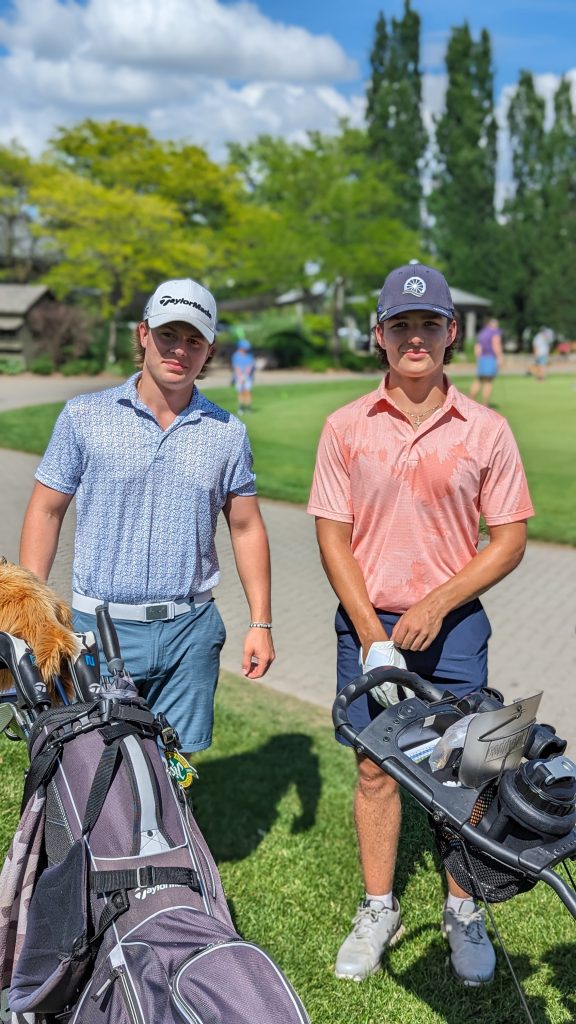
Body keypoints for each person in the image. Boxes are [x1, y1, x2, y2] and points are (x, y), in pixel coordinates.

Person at [307, 262, 534, 986]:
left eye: (428, 324)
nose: (415, 337)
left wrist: (436, 603)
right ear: (379, 334)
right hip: (367, 621)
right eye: (400, 324)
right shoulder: (345, 426)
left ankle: (462, 910)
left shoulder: (486, 430)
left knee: (466, 771)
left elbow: (509, 538)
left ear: (450, 332)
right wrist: (371, 632)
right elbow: (333, 535)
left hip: (454, 623)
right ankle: (380, 908)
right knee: (375, 769)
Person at [19, 277, 275, 757]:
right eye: (168, 335)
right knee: (96, 766)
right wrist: (33, 613)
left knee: (176, 767)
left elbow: (246, 527)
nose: (179, 350)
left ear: (210, 349)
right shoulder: (84, 416)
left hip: (190, 632)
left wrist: (260, 623)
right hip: (99, 630)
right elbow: (46, 510)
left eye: (194, 340)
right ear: (143, 334)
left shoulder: (228, 433)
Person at [469, 317, 503, 405]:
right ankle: (485, 404)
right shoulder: (494, 332)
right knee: (488, 381)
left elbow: (477, 348)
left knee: (478, 380)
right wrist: (500, 357)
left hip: (482, 359)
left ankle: (469, 402)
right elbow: (496, 344)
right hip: (490, 358)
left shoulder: (482, 333)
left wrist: (478, 360)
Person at [231, 335, 256, 414]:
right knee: (241, 392)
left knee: (247, 392)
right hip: (239, 377)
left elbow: (251, 365)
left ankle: (248, 408)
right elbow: (236, 367)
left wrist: (246, 374)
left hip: (248, 377)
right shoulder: (236, 355)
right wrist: (240, 376)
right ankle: (241, 408)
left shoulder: (249, 355)